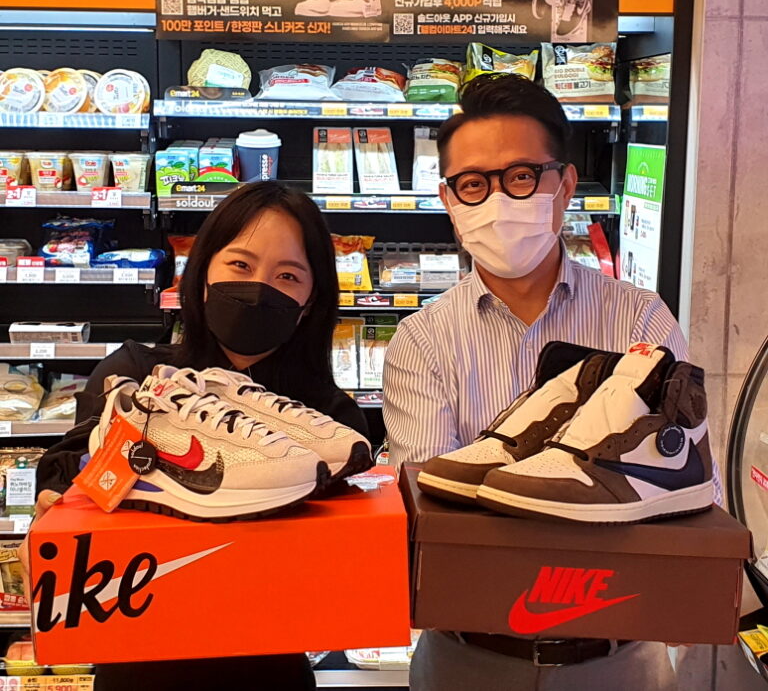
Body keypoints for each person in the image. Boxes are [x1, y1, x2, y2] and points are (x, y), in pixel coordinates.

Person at [383, 73, 722, 691]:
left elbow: (683, 493)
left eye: (520, 176)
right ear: (449, 200)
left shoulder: (640, 319)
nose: (496, 201)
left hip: (618, 658)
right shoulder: (421, 340)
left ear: (564, 184)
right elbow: (436, 525)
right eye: (473, 184)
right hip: (465, 657)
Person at [21, 181, 368, 691]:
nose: (259, 288)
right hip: (139, 666)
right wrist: (58, 515)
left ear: (311, 298)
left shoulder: (332, 424)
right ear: (202, 272)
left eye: (288, 275)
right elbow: (67, 476)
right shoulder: (134, 375)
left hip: (269, 671)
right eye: (240, 265)